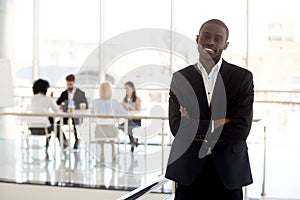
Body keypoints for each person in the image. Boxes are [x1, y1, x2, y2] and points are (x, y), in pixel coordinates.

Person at [165, 19, 254, 200]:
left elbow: (241, 129)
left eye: (217, 38)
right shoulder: (180, 78)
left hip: (229, 171)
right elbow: (177, 127)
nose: (211, 41)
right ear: (197, 38)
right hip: (188, 170)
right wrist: (221, 122)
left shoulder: (242, 78)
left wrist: (194, 125)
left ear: (225, 45)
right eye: (206, 35)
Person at [92, 81, 126, 162]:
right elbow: (124, 114)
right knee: (111, 129)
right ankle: (113, 153)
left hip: (99, 130)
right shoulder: (114, 102)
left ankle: (102, 154)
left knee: (102, 131)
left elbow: (91, 115)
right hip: (112, 130)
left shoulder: (95, 102)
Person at [29, 79, 67, 151]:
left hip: (32, 128)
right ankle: (63, 142)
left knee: (51, 122)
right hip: (44, 129)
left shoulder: (32, 98)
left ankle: (50, 144)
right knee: (55, 125)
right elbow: (57, 111)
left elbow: (40, 109)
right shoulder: (48, 99)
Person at [56, 74, 88, 149]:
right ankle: (64, 140)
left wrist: (77, 107)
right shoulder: (64, 93)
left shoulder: (80, 93)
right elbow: (58, 102)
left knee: (73, 123)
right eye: (68, 84)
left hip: (76, 116)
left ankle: (77, 140)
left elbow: (86, 105)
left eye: (70, 84)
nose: (69, 86)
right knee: (57, 124)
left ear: (74, 83)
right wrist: (62, 105)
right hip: (66, 116)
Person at [121, 81, 142, 152]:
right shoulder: (125, 99)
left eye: (127, 88)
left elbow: (138, 111)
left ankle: (133, 142)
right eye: (125, 89)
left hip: (136, 120)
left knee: (130, 128)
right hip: (128, 119)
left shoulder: (137, 99)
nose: (126, 90)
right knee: (122, 126)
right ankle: (134, 140)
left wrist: (129, 106)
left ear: (132, 89)